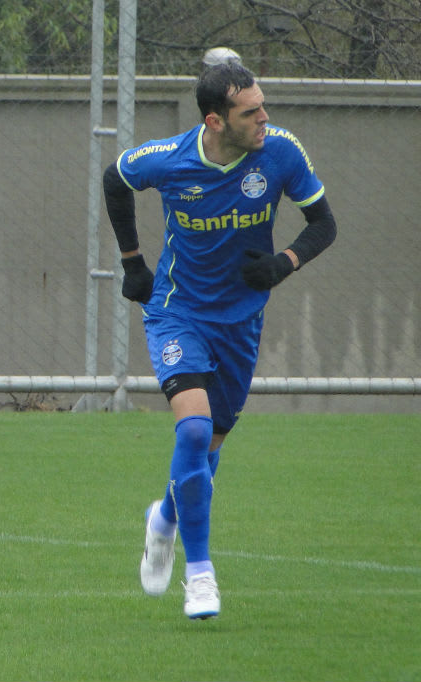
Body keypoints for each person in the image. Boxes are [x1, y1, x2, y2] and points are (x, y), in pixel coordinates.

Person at [102, 60, 336, 619]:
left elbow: (324, 223)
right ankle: (200, 573)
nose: (264, 118)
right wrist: (133, 263)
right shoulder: (171, 158)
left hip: (241, 322)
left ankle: (163, 521)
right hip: (177, 312)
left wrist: (284, 262)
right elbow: (116, 178)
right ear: (215, 120)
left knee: (208, 449)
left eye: (263, 105)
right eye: (250, 111)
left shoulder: (280, 150)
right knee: (195, 425)